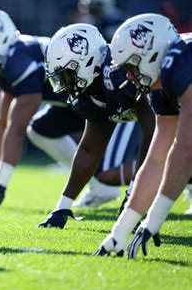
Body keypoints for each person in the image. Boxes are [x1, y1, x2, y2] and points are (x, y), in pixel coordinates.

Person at [0, 9, 132, 210]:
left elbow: (15, 129)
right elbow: (2, 123)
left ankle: (161, 181)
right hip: (76, 100)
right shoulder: (7, 61)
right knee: (39, 130)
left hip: (108, 99)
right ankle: (99, 187)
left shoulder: (18, 61)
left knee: (111, 170)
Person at [37, 23, 155, 229]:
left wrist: (134, 195)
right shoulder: (92, 92)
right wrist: (62, 207)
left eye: (66, 75)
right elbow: (89, 150)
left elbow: (155, 130)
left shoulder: (121, 71)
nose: (64, 84)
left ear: (88, 61)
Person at [95, 13, 190, 258]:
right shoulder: (161, 84)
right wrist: (120, 231)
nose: (128, 75)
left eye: (130, 65)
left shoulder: (180, 64)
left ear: (152, 54)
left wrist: (154, 218)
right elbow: (156, 160)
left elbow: (185, 148)